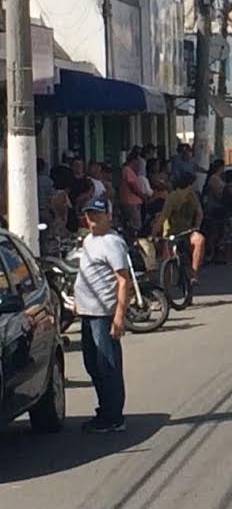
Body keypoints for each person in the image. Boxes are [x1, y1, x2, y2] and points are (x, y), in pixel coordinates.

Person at [75, 198, 130, 433]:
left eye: (97, 214)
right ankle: (104, 409)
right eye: (89, 215)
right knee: (92, 364)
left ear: (108, 215)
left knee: (107, 365)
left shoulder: (112, 242)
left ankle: (113, 416)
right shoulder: (89, 240)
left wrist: (118, 316)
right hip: (87, 313)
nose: (93, 219)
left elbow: (123, 280)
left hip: (103, 314)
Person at [154, 172, 205, 289]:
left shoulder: (192, 196)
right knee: (167, 260)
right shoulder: (172, 197)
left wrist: (196, 226)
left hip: (187, 231)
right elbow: (163, 217)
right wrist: (153, 233)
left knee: (199, 240)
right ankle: (164, 289)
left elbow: (199, 213)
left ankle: (194, 274)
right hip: (172, 234)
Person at [118, 151, 147, 239]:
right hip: (130, 202)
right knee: (135, 225)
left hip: (134, 202)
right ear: (133, 161)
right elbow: (133, 186)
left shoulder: (132, 172)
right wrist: (142, 196)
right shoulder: (127, 170)